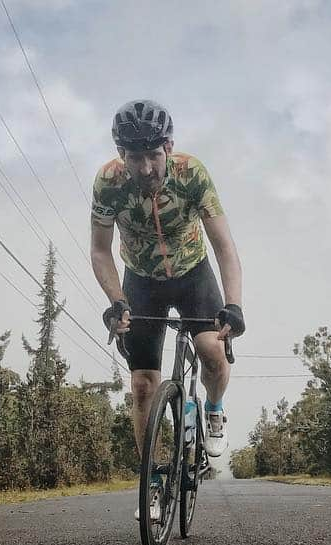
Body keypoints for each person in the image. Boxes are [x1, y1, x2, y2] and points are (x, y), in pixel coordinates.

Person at [90, 99, 244, 521]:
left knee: (213, 352)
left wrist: (233, 304)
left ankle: (213, 412)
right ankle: (154, 480)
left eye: (153, 156)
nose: (144, 168)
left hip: (193, 272)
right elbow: (101, 252)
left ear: (169, 147)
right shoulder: (108, 183)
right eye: (134, 157)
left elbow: (224, 245)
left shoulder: (191, 173)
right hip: (141, 279)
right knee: (142, 385)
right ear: (122, 154)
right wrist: (116, 300)